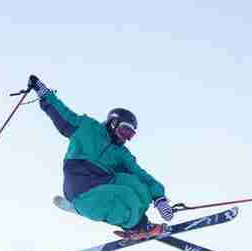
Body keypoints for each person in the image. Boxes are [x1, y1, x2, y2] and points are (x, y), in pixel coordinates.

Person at [28, 75, 174, 240]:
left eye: (130, 135)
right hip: (80, 185)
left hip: (101, 182)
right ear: (113, 123)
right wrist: (43, 92)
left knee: (136, 185)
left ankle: (136, 221)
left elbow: (140, 174)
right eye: (125, 130)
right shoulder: (87, 128)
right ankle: (138, 226)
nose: (126, 137)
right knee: (124, 193)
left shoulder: (121, 153)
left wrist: (159, 198)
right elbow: (62, 114)